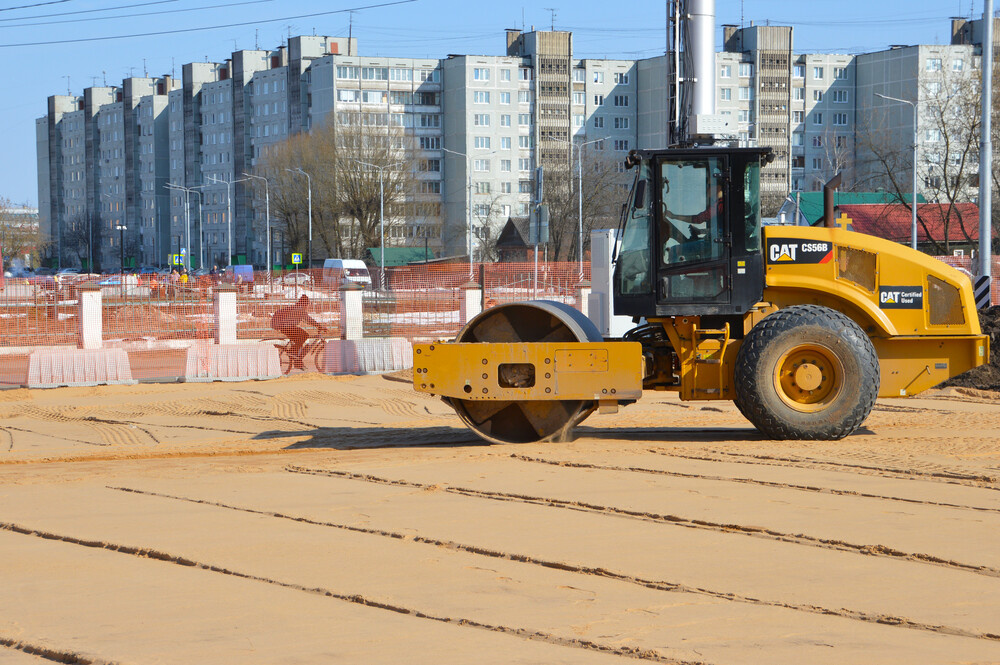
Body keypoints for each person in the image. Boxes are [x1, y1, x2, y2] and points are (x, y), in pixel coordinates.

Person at [271, 294, 327, 370]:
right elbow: (308, 320)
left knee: (300, 339)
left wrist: (318, 325)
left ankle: (298, 361)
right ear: (305, 304)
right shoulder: (300, 310)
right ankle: (292, 352)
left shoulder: (296, 308)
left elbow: (307, 320)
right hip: (286, 327)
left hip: (285, 326)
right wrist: (319, 326)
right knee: (304, 335)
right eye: (307, 304)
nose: (308, 306)